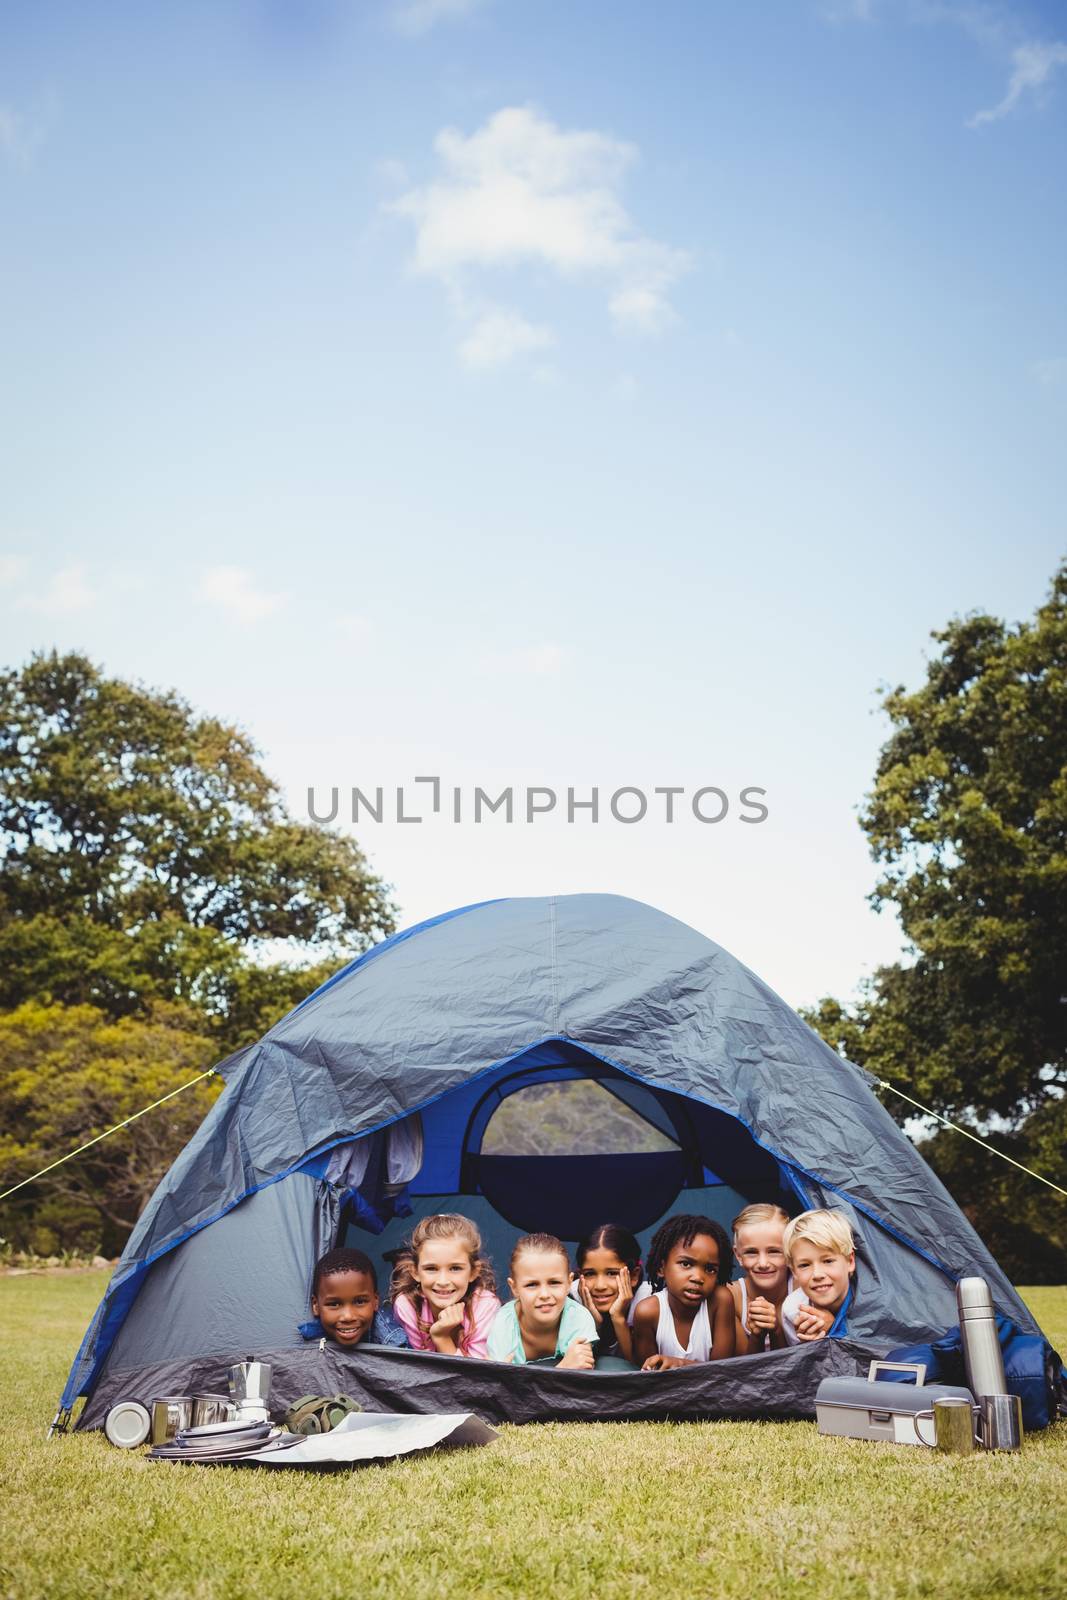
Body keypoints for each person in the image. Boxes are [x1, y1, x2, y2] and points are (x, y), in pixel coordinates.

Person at [389, 1213, 501, 1358]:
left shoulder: (486, 1305)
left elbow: (476, 1374)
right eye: (431, 1268)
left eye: (455, 1268)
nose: (443, 1281)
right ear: (415, 1272)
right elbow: (421, 1367)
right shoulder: (408, 1305)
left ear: (473, 1271)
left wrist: (441, 1337)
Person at [632, 1214, 736, 1369]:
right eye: (686, 1264)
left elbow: (722, 1372)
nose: (698, 1277)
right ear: (661, 1268)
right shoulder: (647, 1312)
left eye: (710, 1269)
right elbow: (648, 1379)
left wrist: (680, 1364)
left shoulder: (720, 1300)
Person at [486, 1233, 597, 1367]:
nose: (544, 1294)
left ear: (569, 1283)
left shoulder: (578, 1318)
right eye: (532, 1285)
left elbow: (582, 1374)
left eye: (554, 1282)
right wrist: (563, 1369)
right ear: (514, 1288)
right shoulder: (503, 1324)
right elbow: (499, 1384)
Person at [305, 1246, 408, 1348]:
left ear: (375, 1301)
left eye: (360, 1302)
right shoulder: (305, 1335)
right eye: (334, 1304)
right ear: (316, 1305)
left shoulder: (392, 1341)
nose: (348, 1316)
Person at [779, 1209, 856, 1343]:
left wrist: (835, 1330)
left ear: (850, 1261)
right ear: (794, 1272)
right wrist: (810, 1345)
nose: (817, 1275)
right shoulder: (793, 1309)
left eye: (828, 1261)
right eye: (804, 1265)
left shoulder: (874, 1300)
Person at [573, 1222, 644, 1364]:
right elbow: (581, 1367)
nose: (600, 1286)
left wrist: (618, 1318)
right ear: (580, 1274)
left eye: (612, 1273)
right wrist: (593, 1323)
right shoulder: (571, 1299)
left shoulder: (647, 1303)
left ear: (634, 1276)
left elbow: (640, 1371)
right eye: (589, 1273)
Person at [728, 1203, 792, 1354]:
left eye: (774, 1251)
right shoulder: (731, 1297)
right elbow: (744, 1369)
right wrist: (757, 1336)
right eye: (751, 1252)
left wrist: (776, 1331)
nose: (763, 1263)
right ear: (738, 1255)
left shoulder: (803, 1289)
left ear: (790, 1250)